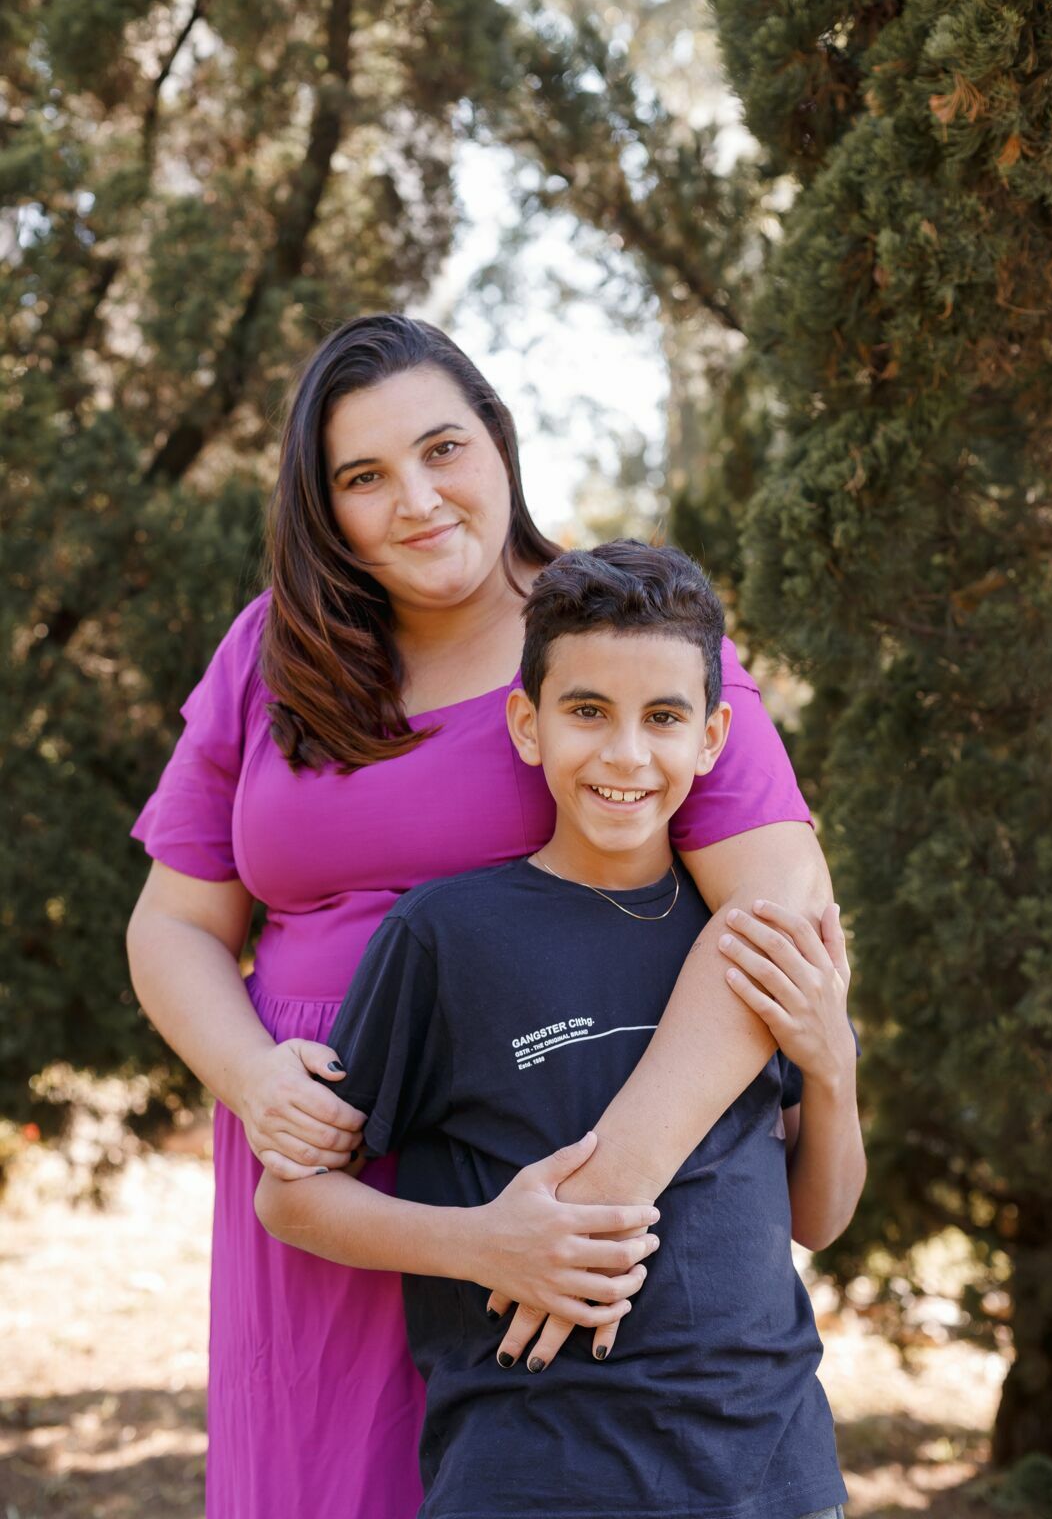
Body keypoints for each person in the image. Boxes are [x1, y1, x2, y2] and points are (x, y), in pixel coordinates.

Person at [126, 314, 834, 1519]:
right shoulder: (268, 652)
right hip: (324, 1177)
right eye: (362, 476)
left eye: (441, 448)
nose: (415, 500)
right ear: (321, 506)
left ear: (498, 442)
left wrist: (591, 1206)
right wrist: (253, 1079)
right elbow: (173, 923)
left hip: (555, 1171)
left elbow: (780, 923)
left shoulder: (611, 646)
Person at [255, 541, 865, 1519]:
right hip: (532, 1473)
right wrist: (480, 1244)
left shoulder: (743, 944)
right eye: (587, 711)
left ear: (712, 737)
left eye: (662, 717)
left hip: (772, 1474)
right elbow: (290, 1201)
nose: (625, 755)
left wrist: (832, 1070)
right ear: (525, 724)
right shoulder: (445, 937)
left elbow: (817, 1221)